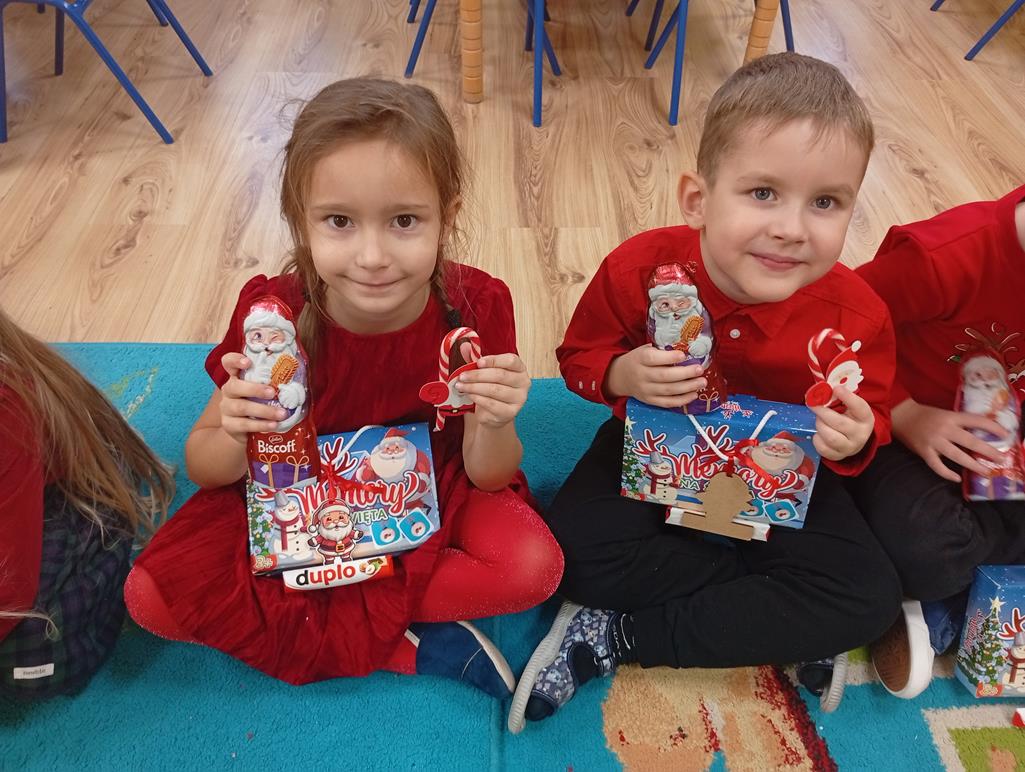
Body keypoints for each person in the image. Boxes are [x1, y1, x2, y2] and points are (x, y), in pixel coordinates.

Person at [123, 78, 563, 697]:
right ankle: (405, 642)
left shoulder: (477, 308)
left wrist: (495, 422)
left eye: (404, 220)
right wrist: (235, 429)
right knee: (148, 596)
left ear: (448, 215)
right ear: (300, 222)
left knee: (534, 566)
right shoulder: (272, 316)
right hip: (293, 482)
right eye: (339, 221)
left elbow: (489, 475)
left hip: (434, 478)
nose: (372, 255)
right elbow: (205, 466)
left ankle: (329, 617)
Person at [508, 53, 902, 731]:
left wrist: (856, 437)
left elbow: (876, 415)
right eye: (762, 193)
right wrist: (621, 374)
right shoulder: (638, 269)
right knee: (565, 556)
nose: (791, 228)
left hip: (781, 474)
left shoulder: (857, 313)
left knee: (867, 599)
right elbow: (577, 358)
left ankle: (618, 636)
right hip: (653, 446)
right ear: (697, 199)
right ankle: (775, 614)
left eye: (825, 203)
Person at [852, 184, 1025, 698]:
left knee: (942, 553)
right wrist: (904, 412)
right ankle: (937, 600)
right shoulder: (947, 257)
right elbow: (837, 321)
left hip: (1001, 452)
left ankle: (952, 605)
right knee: (931, 550)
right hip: (901, 438)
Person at [0, 308, 174, 699]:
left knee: (31, 656)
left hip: (66, 499)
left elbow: (11, 591)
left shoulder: (6, 406)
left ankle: (105, 551)